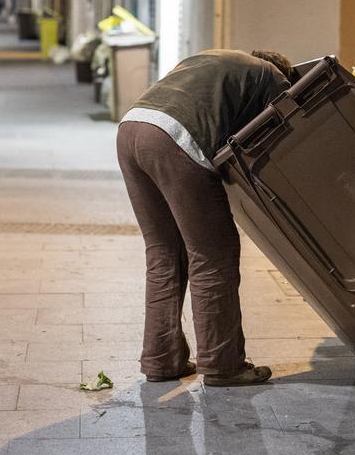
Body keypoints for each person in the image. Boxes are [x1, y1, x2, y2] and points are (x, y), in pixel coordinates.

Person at [116, 49, 294, 386]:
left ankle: (161, 360)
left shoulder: (218, 60)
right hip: (175, 139)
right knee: (214, 256)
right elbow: (275, 141)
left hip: (132, 128)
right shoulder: (273, 78)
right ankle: (222, 364)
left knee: (164, 253)